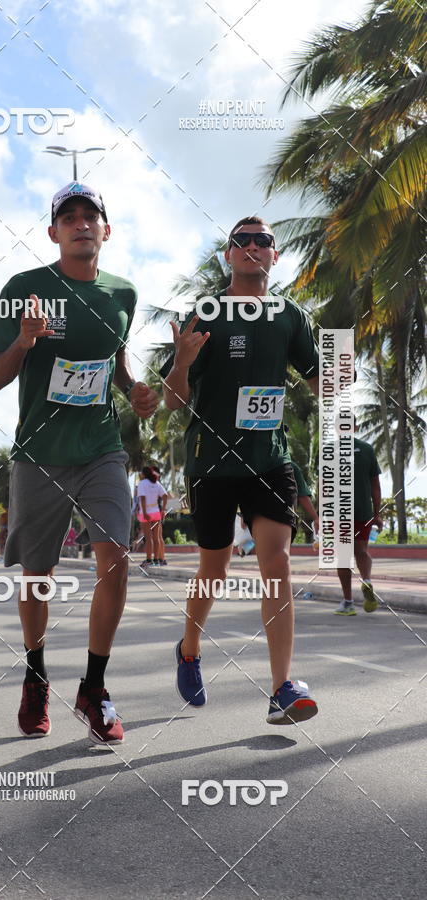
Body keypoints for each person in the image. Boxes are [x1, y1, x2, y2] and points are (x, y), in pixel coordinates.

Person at [0, 182, 158, 745]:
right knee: (39, 577)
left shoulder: (123, 294)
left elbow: (118, 364)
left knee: (116, 557)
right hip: (39, 454)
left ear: (106, 230)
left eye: (91, 216)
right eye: (69, 217)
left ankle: (94, 688)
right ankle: (35, 679)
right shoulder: (26, 289)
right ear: (53, 231)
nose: (81, 224)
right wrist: (26, 341)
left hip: (102, 447)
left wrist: (135, 391)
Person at [162, 216, 320, 725]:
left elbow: (324, 384)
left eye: (263, 241)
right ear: (228, 254)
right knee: (216, 567)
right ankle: (189, 648)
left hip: (270, 460)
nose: (253, 247)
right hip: (212, 460)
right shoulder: (207, 312)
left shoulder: (290, 317)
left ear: (275, 255)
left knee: (277, 563)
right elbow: (171, 401)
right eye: (242, 241)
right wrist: (182, 362)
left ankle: (281, 689)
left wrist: (340, 374)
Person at [334, 433, 383, 615]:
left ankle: (348, 603)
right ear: (355, 427)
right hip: (363, 510)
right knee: (361, 550)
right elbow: (375, 485)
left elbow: (325, 485)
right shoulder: (367, 449)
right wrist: (377, 513)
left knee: (343, 556)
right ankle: (367, 580)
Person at [136, 466, 167, 566]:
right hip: (156, 512)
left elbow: (143, 498)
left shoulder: (142, 484)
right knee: (156, 537)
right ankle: (157, 560)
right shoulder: (156, 483)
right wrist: (163, 509)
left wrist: (144, 512)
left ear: (144, 474)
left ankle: (149, 560)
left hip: (146, 513)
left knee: (148, 538)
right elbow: (165, 496)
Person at [290, 460, 320, 546]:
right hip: (285, 519)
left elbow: (302, 495)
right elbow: (302, 496)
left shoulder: (291, 466)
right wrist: (316, 518)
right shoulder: (290, 465)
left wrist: (315, 518)